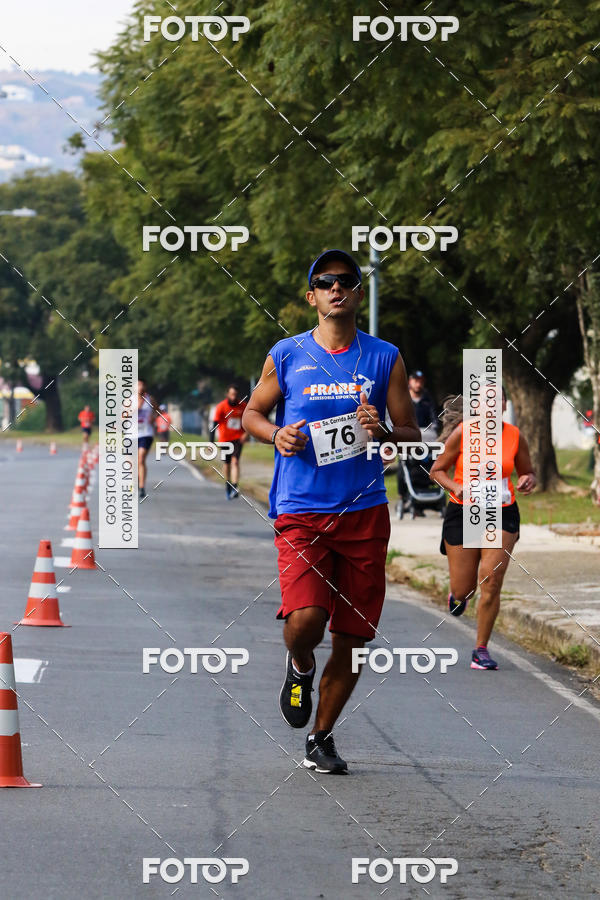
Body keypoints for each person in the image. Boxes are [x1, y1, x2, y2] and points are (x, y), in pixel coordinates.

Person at [242, 249, 420, 774]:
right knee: (308, 619)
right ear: (312, 296)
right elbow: (250, 412)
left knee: (354, 637)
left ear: (357, 293)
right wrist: (278, 433)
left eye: (345, 280)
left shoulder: (384, 356)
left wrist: (385, 430)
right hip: (302, 509)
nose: (335, 288)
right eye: (325, 281)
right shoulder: (288, 353)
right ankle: (299, 665)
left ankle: (322, 736)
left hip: (364, 511)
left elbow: (411, 434)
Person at [429, 389, 537, 670]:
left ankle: (481, 649)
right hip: (463, 511)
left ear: (503, 405)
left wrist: (527, 479)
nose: (492, 405)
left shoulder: (514, 435)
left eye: (497, 400)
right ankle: (458, 596)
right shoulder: (463, 432)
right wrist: (456, 487)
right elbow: (437, 470)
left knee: (491, 579)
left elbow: (528, 471)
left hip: (501, 512)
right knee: (464, 590)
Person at [398, 371, 440, 514]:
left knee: (430, 463)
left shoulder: (428, 400)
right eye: (416, 381)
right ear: (410, 382)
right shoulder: (403, 399)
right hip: (407, 439)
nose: (418, 384)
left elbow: (434, 420)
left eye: (421, 381)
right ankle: (404, 496)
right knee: (403, 465)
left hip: (427, 440)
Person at [213, 385, 248, 500]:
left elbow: (249, 422)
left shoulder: (243, 406)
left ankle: (235, 486)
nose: (233, 397)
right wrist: (210, 442)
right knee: (227, 463)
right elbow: (215, 424)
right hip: (225, 439)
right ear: (227, 394)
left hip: (238, 438)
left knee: (235, 462)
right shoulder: (221, 407)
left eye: (235, 394)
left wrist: (245, 434)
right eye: (231, 394)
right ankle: (228, 484)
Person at [137, 379, 157, 500]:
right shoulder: (129, 400)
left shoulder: (150, 399)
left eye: (142, 385)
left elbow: (158, 411)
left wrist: (153, 418)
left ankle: (142, 486)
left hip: (146, 433)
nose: (140, 387)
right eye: (138, 385)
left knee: (141, 458)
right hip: (131, 434)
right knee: (132, 463)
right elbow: (122, 416)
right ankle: (134, 483)